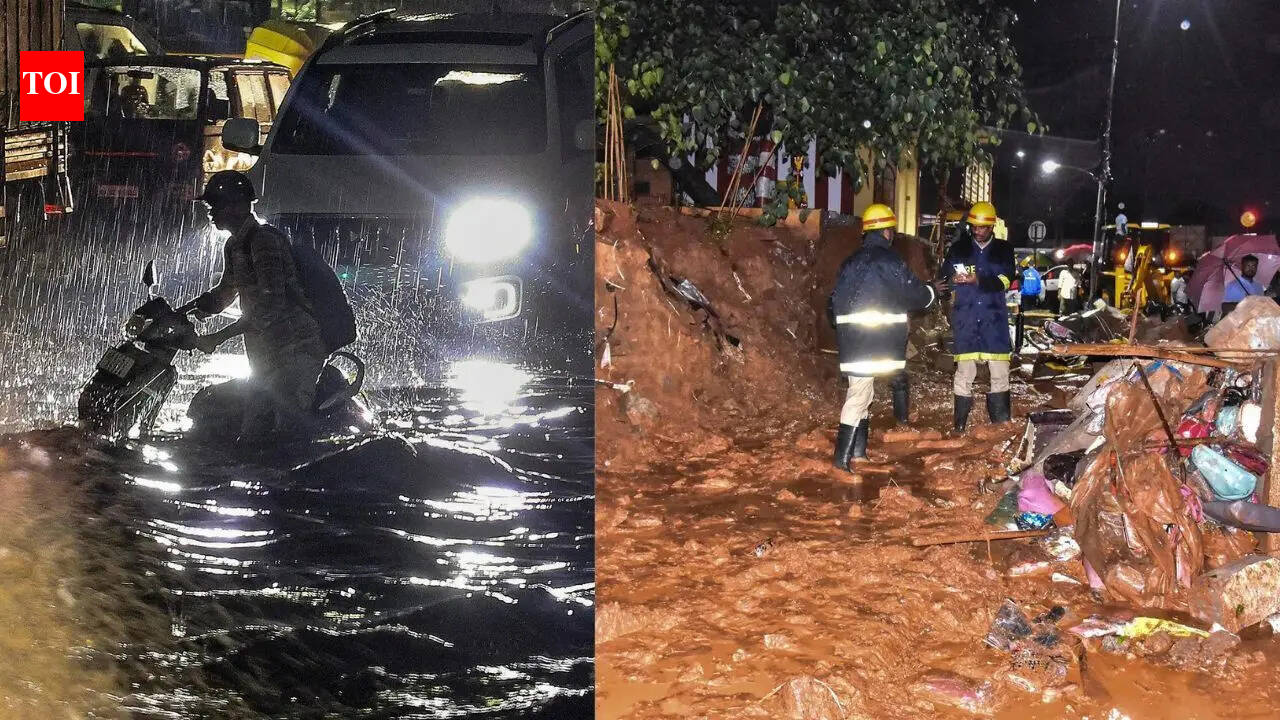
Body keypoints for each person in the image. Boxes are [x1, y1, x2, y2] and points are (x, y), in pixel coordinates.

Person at [186, 170, 327, 439]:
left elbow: (270, 306)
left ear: (239, 206)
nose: (211, 212)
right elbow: (227, 291)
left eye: (217, 205)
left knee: (286, 430)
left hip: (295, 349)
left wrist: (218, 337)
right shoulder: (234, 245)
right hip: (266, 356)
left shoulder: (264, 241)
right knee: (252, 431)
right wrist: (193, 310)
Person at [828, 204, 938, 469]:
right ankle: (840, 462)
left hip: (853, 342)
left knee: (863, 394)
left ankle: (858, 454)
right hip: (874, 342)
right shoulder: (890, 261)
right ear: (887, 232)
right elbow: (914, 296)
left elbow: (832, 303)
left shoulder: (850, 262)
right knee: (858, 397)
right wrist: (932, 291)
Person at [939, 201, 1016, 432]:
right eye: (974, 226)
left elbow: (1005, 281)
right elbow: (944, 279)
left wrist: (979, 280)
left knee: (1000, 374)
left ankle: (1000, 425)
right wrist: (950, 281)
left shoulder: (1004, 250)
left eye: (983, 227)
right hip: (967, 320)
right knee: (963, 374)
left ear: (992, 227)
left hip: (994, 320)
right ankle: (959, 427)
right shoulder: (958, 249)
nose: (978, 231)